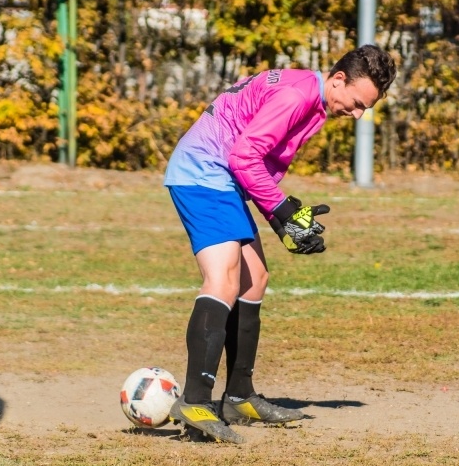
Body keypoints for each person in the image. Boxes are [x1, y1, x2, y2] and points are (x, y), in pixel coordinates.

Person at [163, 44, 397, 443]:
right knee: (224, 277)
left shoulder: (312, 97)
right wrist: (283, 210)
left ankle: (238, 396)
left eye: (365, 109)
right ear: (338, 79)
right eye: (358, 103)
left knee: (255, 279)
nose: (358, 114)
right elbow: (244, 156)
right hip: (203, 171)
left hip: (224, 177)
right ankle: (196, 401)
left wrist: (280, 220)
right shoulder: (296, 96)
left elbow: (260, 165)